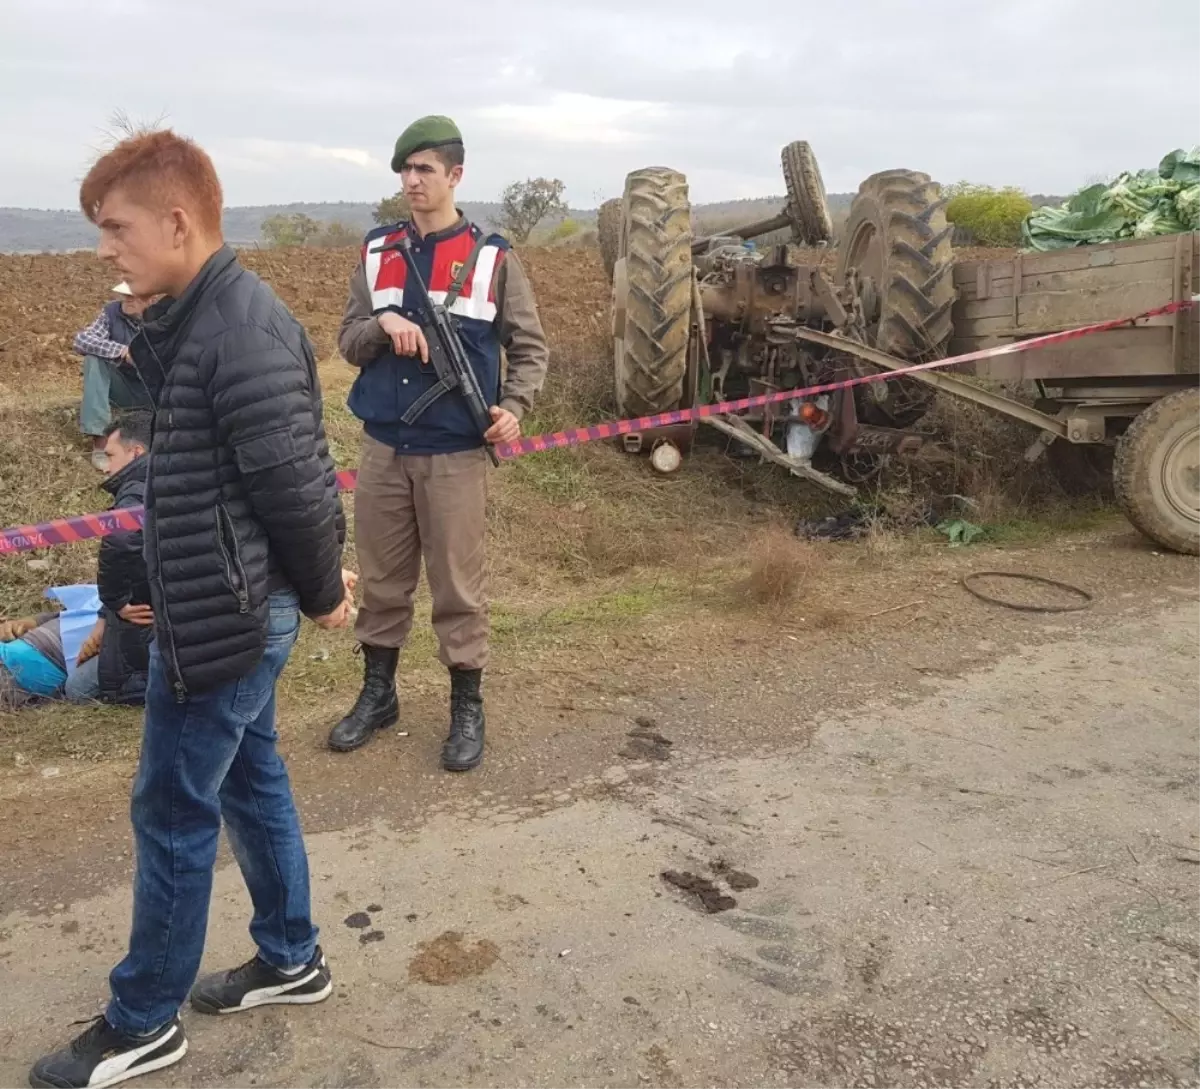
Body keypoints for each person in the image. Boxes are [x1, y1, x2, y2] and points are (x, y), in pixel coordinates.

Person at [31, 128, 351, 1089]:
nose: (103, 250)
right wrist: (138, 319)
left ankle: (143, 1019)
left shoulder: (239, 332)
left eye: (117, 228)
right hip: (219, 597)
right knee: (250, 778)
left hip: (233, 614)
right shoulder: (191, 317)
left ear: (178, 221)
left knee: (172, 802)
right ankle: (292, 955)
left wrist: (329, 593)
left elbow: (297, 488)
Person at [328, 115, 549, 772]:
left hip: (454, 452)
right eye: (405, 169)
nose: (412, 181)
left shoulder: (492, 256)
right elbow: (346, 340)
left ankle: (466, 706)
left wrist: (513, 408)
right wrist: (382, 322)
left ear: (456, 175)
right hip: (383, 449)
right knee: (382, 583)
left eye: (425, 169)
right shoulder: (377, 250)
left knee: (457, 587)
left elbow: (531, 349)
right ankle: (378, 694)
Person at [0, 412, 156, 709]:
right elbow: (88, 601)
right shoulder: (158, 489)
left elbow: (121, 541)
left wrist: (114, 603)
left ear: (136, 453)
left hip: (41, 664)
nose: (104, 468)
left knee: (76, 687)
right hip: (40, 651)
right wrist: (32, 621)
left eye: (110, 455)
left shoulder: (137, 494)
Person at [73, 282, 157, 470]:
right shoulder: (112, 313)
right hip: (124, 388)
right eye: (124, 295)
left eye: (132, 296)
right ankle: (100, 443)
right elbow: (82, 340)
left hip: (154, 391)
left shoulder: (164, 320)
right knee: (93, 360)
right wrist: (122, 351)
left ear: (151, 300)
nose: (126, 300)